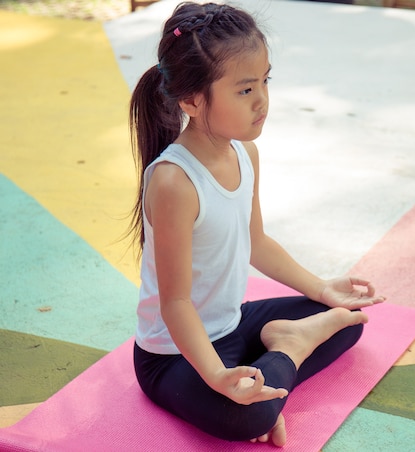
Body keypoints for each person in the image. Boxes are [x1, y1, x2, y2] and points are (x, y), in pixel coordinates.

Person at [127, 2, 384, 447]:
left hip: (232, 326)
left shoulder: (245, 154)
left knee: (348, 319)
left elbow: (256, 240)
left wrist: (321, 288)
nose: (262, 99)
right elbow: (176, 303)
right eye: (244, 90)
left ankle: (281, 353)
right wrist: (218, 377)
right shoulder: (174, 182)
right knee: (245, 419)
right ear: (191, 99)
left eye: (265, 81)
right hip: (174, 356)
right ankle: (289, 350)